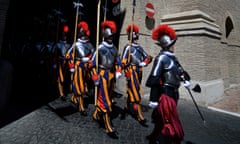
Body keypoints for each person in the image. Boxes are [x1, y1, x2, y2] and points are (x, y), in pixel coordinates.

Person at [145, 24, 191, 144]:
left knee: (163, 122)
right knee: (170, 124)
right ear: (168, 45)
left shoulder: (173, 58)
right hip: (166, 96)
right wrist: (153, 99)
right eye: (172, 44)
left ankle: (155, 138)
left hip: (174, 94)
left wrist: (185, 79)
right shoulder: (161, 59)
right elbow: (154, 78)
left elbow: (180, 71)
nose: (174, 46)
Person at [90, 20, 122, 139]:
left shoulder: (114, 48)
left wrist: (118, 70)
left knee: (108, 97)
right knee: (106, 102)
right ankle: (108, 127)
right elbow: (92, 63)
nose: (111, 38)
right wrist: (95, 77)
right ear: (105, 36)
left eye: (112, 36)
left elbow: (118, 61)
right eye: (109, 36)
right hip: (102, 75)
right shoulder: (100, 48)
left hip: (111, 76)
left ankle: (96, 114)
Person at [121, 24, 152, 127]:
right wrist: (126, 66)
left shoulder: (139, 48)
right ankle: (139, 115)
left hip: (139, 71)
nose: (136, 40)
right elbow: (123, 60)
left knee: (133, 90)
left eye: (137, 37)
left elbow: (148, 57)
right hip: (131, 71)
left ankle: (126, 107)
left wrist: (145, 62)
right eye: (134, 38)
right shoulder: (127, 47)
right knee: (136, 93)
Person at [66, 21, 95, 116]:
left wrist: (91, 59)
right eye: (82, 35)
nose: (84, 36)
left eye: (85, 35)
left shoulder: (90, 45)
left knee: (85, 85)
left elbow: (94, 55)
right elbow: (68, 55)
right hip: (78, 67)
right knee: (81, 87)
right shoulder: (76, 44)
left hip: (87, 68)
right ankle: (81, 106)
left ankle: (75, 97)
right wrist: (71, 65)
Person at [53, 24, 71, 100]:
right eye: (63, 35)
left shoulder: (69, 45)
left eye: (66, 35)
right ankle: (61, 93)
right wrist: (54, 62)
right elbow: (55, 54)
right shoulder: (58, 44)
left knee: (65, 78)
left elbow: (71, 54)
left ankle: (64, 91)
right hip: (59, 62)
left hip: (66, 63)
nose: (65, 36)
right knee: (61, 78)